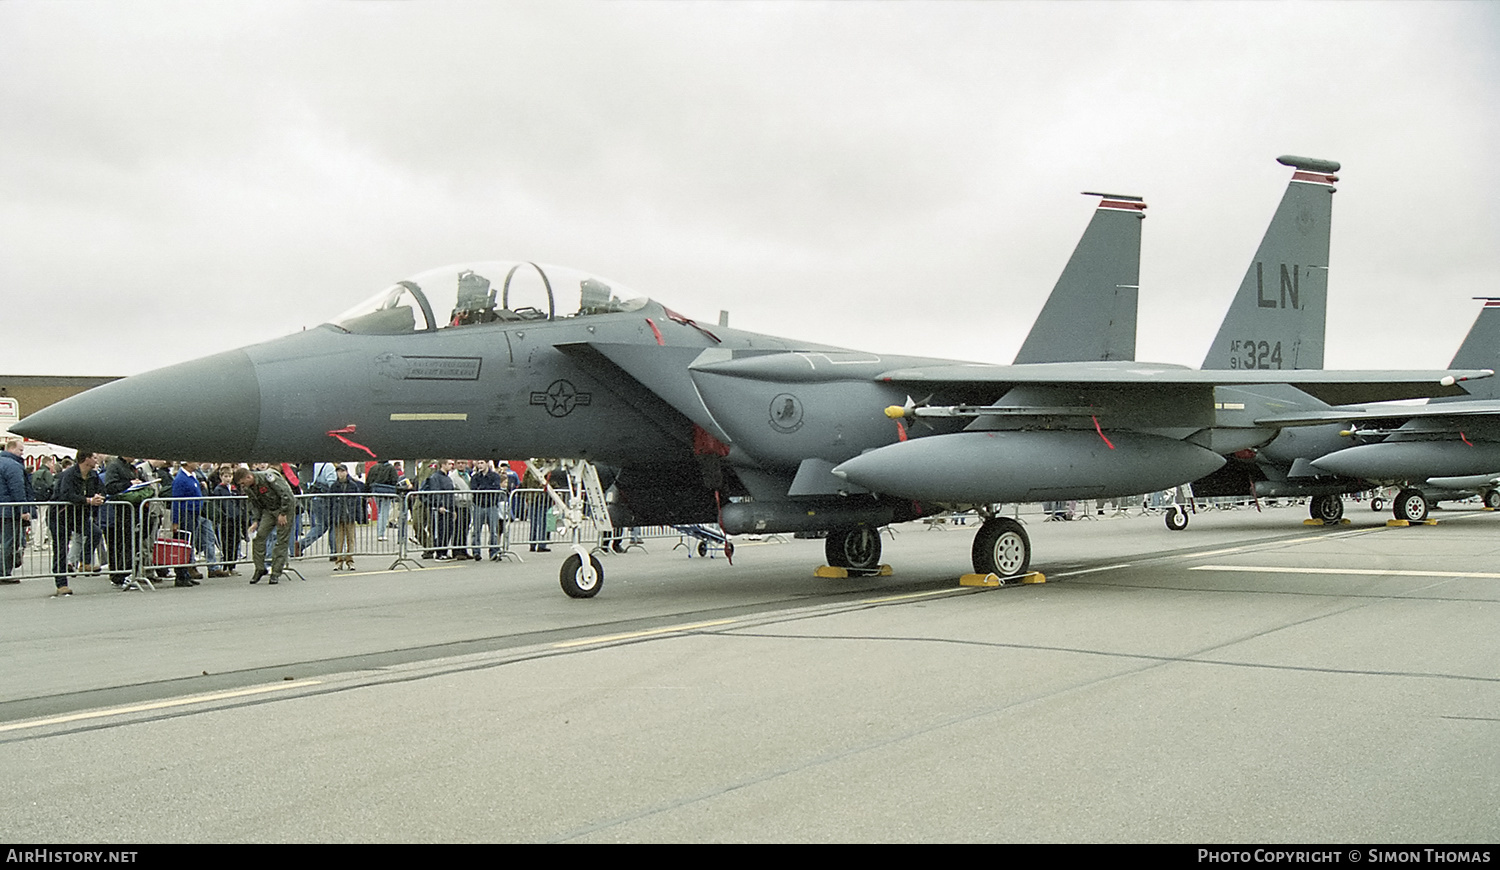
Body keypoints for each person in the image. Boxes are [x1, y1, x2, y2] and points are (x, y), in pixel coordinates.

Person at [50, 451, 105, 596]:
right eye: (93, 457)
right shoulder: (69, 474)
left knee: (95, 533)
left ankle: (85, 562)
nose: (96, 459)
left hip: (79, 515)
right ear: (86, 459)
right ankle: (61, 583)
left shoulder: (93, 475)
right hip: (60, 515)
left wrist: (99, 497)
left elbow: (102, 489)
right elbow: (66, 494)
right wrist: (88, 500)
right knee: (61, 549)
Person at [234, 466, 296, 585]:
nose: (243, 486)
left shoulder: (267, 477)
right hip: (269, 510)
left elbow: (286, 494)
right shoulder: (248, 488)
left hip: (284, 508)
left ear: (249, 477)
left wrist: (283, 513)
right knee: (259, 537)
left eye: (243, 482)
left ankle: (276, 572)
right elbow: (255, 504)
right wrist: (256, 521)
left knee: (281, 541)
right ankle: (260, 568)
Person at [0, 437, 32, 582]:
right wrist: (24, 510)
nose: (22, 453)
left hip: (4, 507)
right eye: (20, 450)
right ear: (11, 449)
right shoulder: (13, 465)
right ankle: (4, 572)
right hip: (9, 511)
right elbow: (18, 490)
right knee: (9, 542)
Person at [469, 460, 507, 561]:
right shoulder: (475, 477)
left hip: (491, 505)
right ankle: (476, 551)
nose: (480, 465)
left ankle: (494, 551)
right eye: (479, 463)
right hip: (479, 505)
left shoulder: (495, 476)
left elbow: (495, 488)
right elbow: (474, 489)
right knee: (476, 530)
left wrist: (482, 488)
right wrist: (483, 489)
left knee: (493, 530)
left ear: (487, 464)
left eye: (482, 463)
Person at [328, 464, 364, 570]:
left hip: (350, 516)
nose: (340, 473)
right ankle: (339, 561)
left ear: (347, 472)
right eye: (338, 472)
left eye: (342, 471)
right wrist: (330, 516)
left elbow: (357, 502)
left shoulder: (353, 486)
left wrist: (359, 516)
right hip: (338, 515)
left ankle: (350, 560)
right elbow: (330, 502)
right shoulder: (334, 486)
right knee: (339, 540)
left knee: (350, 539)